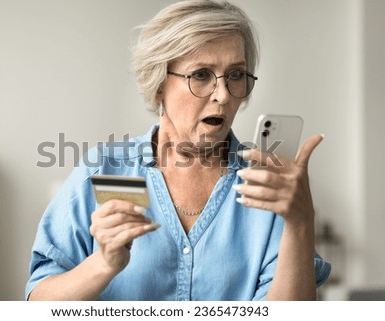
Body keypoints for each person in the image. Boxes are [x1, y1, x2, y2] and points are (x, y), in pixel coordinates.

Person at [25, 0, 331, 301]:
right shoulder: (105, 172)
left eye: (236, 75)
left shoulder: (268, 188)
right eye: (201, 74)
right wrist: (102, 264)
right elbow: (39, 301)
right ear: (160, 84)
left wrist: (301, 222)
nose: (223, 95)